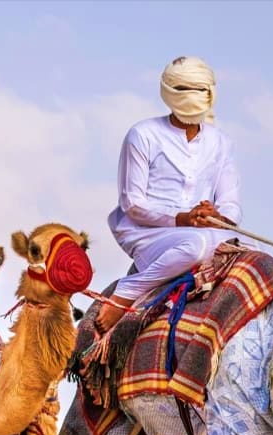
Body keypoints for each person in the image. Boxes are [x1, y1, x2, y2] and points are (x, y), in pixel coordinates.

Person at [97, 56, 242, 333]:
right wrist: (183, 218)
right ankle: (127, 292)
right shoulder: (143, 135)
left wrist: (218, 216)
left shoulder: (221, 143)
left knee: (247, 251)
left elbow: (230, 202)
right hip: (148, 232)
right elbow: (132, 203)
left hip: (208, 232)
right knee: (195, 248)